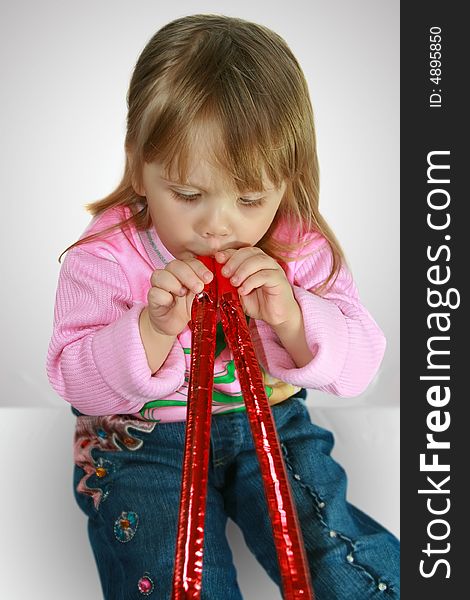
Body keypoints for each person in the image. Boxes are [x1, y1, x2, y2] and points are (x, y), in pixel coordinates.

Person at [46, 13, 400, 600]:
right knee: (168, 570)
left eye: (251, 197)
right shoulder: (106, 254)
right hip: (143, 443)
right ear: (137, 164)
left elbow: (363, 363)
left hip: (274, 427)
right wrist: (150, 330)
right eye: (187, 195)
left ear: (286, 183)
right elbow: (73, 380)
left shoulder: (294, 243)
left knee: (336, 553)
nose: (217, 225)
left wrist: (292, 317)